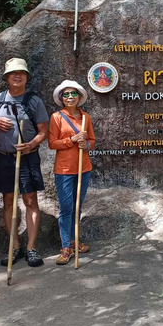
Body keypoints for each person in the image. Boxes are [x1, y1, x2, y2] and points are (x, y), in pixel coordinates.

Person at [0, 58, 48, 267]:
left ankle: (31, 247)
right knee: (8, 201)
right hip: (4, 158)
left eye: (21, 73)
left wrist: (31, 144)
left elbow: (44, 132)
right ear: (6, 77)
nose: (17, 76)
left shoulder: (34, 101)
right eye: (13, 73)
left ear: (26, 76)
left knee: (30, 200)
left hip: (28, 158)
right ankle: (14, 246)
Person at [48, 80, 96, 266]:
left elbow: (92, 140)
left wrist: (87, 144)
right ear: (61, 98)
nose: (70, 97)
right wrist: (72, 139)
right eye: (66, 94)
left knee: (78, 206)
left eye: (73, 94)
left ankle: (75, 241)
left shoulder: (86, 118)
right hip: (65, 169)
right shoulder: (56, 117)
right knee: (66, 208)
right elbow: (52, 143)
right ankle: (65, 246)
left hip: (83, 167)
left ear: (79, 96)